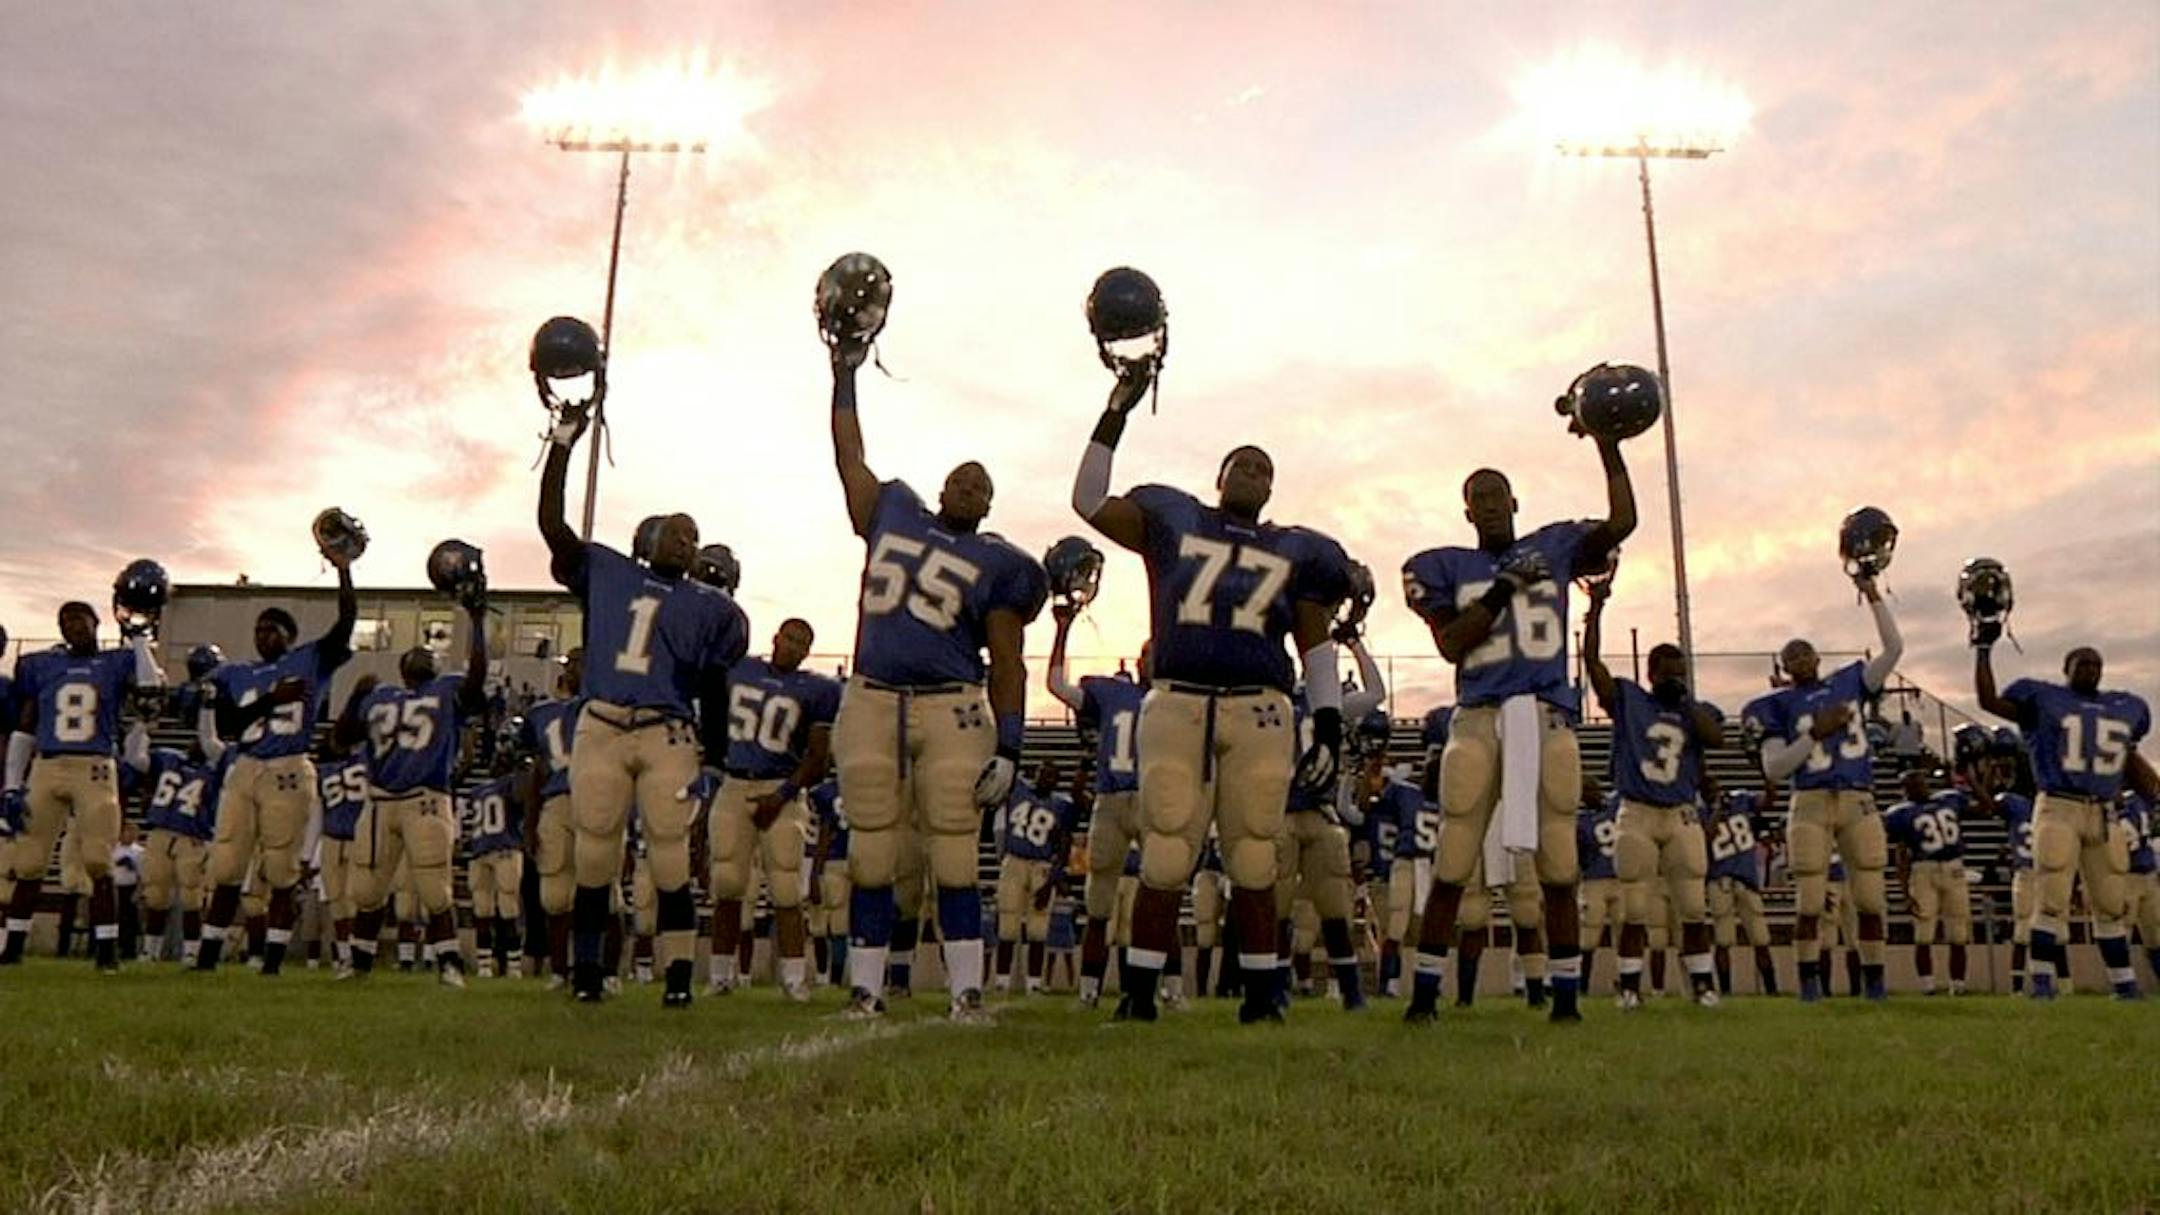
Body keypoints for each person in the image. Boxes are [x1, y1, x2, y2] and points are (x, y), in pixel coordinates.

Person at [1072, 358, 1353, 1024]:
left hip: (1259, 705)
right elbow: (1086, 499)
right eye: (1244, 465)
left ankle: (1261, 996)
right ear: (1219, 477)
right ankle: (1139, 992)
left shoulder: (1296, 548)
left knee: (1255, 847)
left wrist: (1333, 723)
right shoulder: (1174, 516)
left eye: (1265, 469)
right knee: (1167, 844)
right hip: (1177, 697)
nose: (1255, 475)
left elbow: (1314, 638)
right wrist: (1117, 409)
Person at [828, 337, 1047, 1023]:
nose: (972, 486)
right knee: (871, 847)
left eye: (984, 485)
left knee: (954, 846)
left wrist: (1011, 745)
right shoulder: (893, 506)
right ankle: (865, 990)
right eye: (964, 477)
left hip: (952, 704)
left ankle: (966, 992)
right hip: (872, 695)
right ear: (945, 484)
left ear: (989, 505)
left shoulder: (999, 562)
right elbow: (847, 456)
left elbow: (1008, 659)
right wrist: (844, 377)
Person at [1399, 430, 1637, 1025]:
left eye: (1496, 494)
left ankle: (1563, 1000)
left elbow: (1622, 523)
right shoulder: (1444, 565)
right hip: (1478, 716)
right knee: (1454, 857)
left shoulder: (1553, 545)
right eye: (1477, 496)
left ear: (1514, 502)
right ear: (1466, 510)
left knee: (1559, 860)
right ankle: (1425, 998)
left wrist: (1608, 445)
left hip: (1546, 713)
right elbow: (1453, 643)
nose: (1487, 503)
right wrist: (1504, 589)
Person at [540, 392, 749, 1004]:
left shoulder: (711, 606)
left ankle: (679, 980)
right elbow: (553, 525)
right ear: (647, 535)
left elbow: (716, 676)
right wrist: (563, 445)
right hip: (603, 721)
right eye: (678, 533)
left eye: (694, 538)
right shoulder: (605, 567)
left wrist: (715, 750)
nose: (687, 543)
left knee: (669, 855)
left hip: (667, 731)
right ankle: (587, 976)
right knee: (595, 851)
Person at [1740, 568, 1903, 1001]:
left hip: (1857, 797)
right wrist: (1815, 732)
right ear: (1783, 666)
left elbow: (1894, 648)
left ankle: (1874, 981)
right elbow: (1775, 767)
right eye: (1791, 655)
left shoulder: (1849, 681)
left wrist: (1872, 595)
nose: (1800, 658)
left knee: (1870, 898)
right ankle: (1809, 981)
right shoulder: (1775, 706)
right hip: (1809, 799)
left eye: (1805, 652)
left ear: (1817, 657)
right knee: (1810, 899)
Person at [199, 558, 356, 974]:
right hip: (246, 765)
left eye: (272, 629)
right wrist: (271, 700)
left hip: (288, 766)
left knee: (282, 868)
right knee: (228, 864)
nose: (263, 635)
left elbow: (346, 622)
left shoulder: (309, 659)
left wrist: (343, 570)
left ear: (290, 635)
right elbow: (230, 725)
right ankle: (208, 956)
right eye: (258, 629)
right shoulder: (237, 672)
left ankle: (271, 961)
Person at [1974, 641, 2152, 998]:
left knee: (2110, 902)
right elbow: (1989, 701)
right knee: (2052, 897)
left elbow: (2131, 760)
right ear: (2065, 668)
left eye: (2095, 663)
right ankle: (2041, 983)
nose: (2090, 669)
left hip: (2103, 809)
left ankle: (2124, 985)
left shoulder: (2125, 706)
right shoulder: (2043, 698)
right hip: (2059, 804)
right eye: (2082, 663)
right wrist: (1983, 650)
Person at [1581, 578, 1723, 1008]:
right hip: (1637, 810)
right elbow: (1592, 664)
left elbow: (1715, 737)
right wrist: (1596, 612)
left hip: (1680, 812)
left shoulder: (1694, 712)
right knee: (1634, 906)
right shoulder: (1629, 698)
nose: (1674, 680)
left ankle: (1702, 985)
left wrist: (1684, 702)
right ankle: (1628, 988)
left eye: (1680, 674)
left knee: (1693, 905)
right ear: (1651, 673)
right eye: (1668, 674)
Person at [334, 598, 491, 986]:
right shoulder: (379, 695)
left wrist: (476, 622)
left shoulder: (449, 689)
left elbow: (476, 680)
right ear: (402, 670)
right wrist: (355, 696)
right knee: (368, 890)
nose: (421, 655)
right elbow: (339, 741)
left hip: (425, 798)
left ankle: (450, 964)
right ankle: (359, 963)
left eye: (428, 653)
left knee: (435, 888)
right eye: (414, 652)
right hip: (381, 800)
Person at [2, 600, 162, 969]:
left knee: (97, 860)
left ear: (96, 622)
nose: (71, 625)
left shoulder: (116, 661)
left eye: (79, 618)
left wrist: (139, 639)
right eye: (64, 620)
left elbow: (150, 688)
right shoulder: (41, 665)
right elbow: (26, 726)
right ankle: (13, 946)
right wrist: (12, 784)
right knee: (28, 862)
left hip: (95, 764)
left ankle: (106, 950)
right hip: (47, 763)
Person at [707, 619, 839, 1000]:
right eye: (790, 638)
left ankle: (794, 977)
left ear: (808, 651)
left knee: (786, 887)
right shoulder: (740, 668)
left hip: (781, 787)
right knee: (728, 882)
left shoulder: (817, 689)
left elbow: (818, 758)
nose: (794, 647)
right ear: (775, 638)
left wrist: (780, 796)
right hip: (734, 783)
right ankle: (720, 975)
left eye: (803, 643)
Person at [1045, 607, 1147, 1009]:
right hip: (1110, 798)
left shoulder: (1173, 696)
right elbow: (1056, 685)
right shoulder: (1113, 693)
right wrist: (1062, 629)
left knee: (1161, 893)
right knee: (1099, 903)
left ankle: (1165, 989)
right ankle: (1088, 992)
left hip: (1155, 799)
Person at [1883, 769, 1972, 995]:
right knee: (1923, 934)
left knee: (1959, 934)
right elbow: (1901, 854)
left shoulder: (1948, 799)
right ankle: (1928, 986)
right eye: (1911, 784)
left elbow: (1985, 807)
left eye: (1919, 782)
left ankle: (1958, 986)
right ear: (1904, 789)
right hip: (1923, 869)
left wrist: (1973, 780)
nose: (1918, 786)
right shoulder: (1901, 813)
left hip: (1953, 868)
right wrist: (1904, 892)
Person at [994, 761, 1075, 996]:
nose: (1045, 779)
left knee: (1038, 931)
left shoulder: (1061, 805)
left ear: (1056, 781)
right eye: (1042, 774)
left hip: (1041, 865)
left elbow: (1063, 846)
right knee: (1007, 926)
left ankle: (1034, 983)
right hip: (1014, 860)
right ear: (1035, 775)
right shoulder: (1018, 790)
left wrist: (1052, 881)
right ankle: (1001, 981)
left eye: (1050, 776)